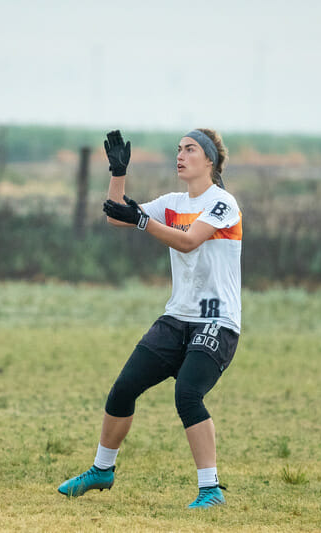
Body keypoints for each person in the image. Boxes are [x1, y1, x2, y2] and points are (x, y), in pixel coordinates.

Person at [57, 129, 242, 509]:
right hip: (177, 317)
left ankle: (211, 490)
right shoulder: (173, 202)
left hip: (216, 320)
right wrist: (118, 173)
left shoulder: (222, 203)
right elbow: (117, 217)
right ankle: (101, 470)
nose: (181, 155)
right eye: (178, 149)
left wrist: (143, 221)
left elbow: (190, 240)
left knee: (188, 394)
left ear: (209, 160)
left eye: (190, 149)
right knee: (123, 389)